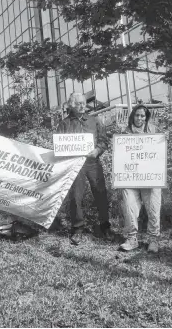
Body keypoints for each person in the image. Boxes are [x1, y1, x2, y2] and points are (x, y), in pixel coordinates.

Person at [55, 92, 112, 245]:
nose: (82, 106)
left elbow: (103, 141)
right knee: (75, 197)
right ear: (71, 105)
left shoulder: (95, 121)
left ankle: (105, 226)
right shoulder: (64, 124)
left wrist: (98, 150)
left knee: (100, 194)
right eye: (78, 103)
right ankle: (77, 229)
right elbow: (58, 147)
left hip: (92, 162)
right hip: (74, 165)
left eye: (83, 103)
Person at [119, 104, 162, 253]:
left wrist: (163, 141)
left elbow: (159, 153)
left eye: (142, 116)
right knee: (130, 207)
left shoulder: (155, 131)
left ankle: (153, 239)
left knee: (153, 208)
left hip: (150, 177)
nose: (139, 118)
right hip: (130, 177)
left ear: (146, 117)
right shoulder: (124, 133)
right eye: (137, 115)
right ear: (132, 116)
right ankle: (132, 239)